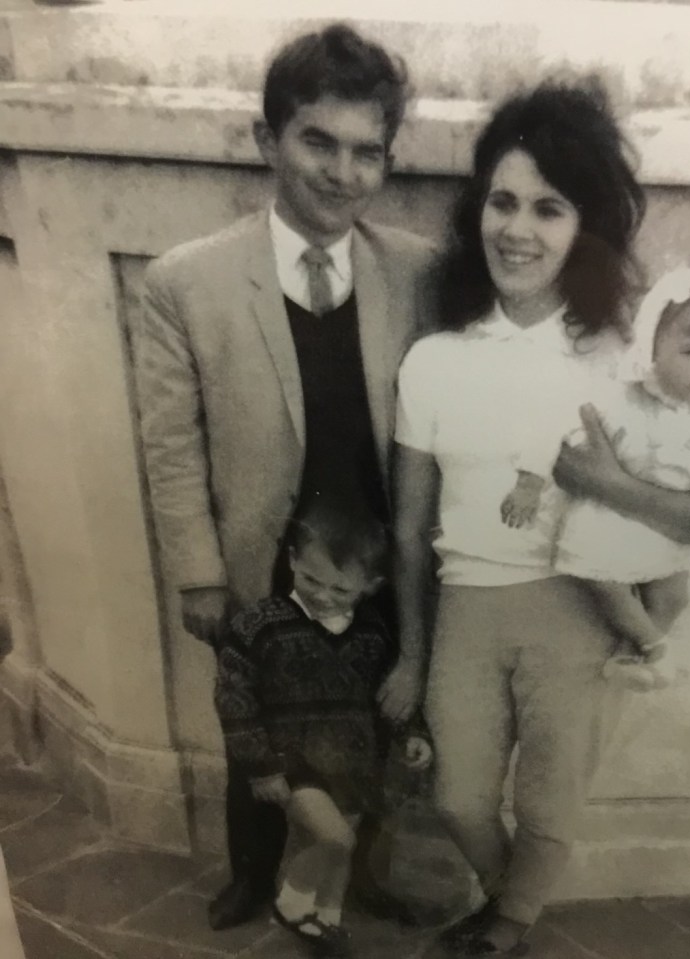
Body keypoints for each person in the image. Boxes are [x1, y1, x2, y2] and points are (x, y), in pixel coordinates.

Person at [393, 78, 690, 958]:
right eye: (501, 202)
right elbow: (408, 532)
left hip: (572, 610)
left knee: (548, 798)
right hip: (463, 607)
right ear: (476, 213)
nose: (517, 229)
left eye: (548, 207)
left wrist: (606, 484)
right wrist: (414, 653)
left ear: (585, 227)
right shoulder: (432, 360)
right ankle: (512, 903)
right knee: (457, 797)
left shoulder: (622, 366)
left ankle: (507, 927)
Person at [133, 23, 439, 931]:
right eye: (318, 142)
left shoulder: (415, 273)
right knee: (257, 728)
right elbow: (171, 442)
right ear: (268, 141)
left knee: (369, 732)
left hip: (374, 562)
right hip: (263, 558)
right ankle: (253, 871)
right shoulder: (186, 283)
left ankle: (365, 870)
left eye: (366, 152)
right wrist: (197, 568)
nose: (342, 173)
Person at [501, 249, 690, 691]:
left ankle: (630, 657)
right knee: (605, 580)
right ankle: (654, 644)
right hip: (609, 522)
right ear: (654, 348)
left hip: (666, 528)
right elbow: (555, 426)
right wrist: (529, 481)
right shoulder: (622, 398)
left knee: (674, 595)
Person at [214, 500, 431, 957]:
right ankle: (292, 904)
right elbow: (234, 702)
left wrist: (413, 733)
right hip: (292, 761)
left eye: (341, 589)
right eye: (311, 579)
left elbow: (388, 697)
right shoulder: (258, 627)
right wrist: (262, 767)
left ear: (370, 587)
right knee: (336, 838)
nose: (323, 595)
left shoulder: (373, 636)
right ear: (292, 560)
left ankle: (322, 923)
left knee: (342, 852)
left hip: (352, 765)